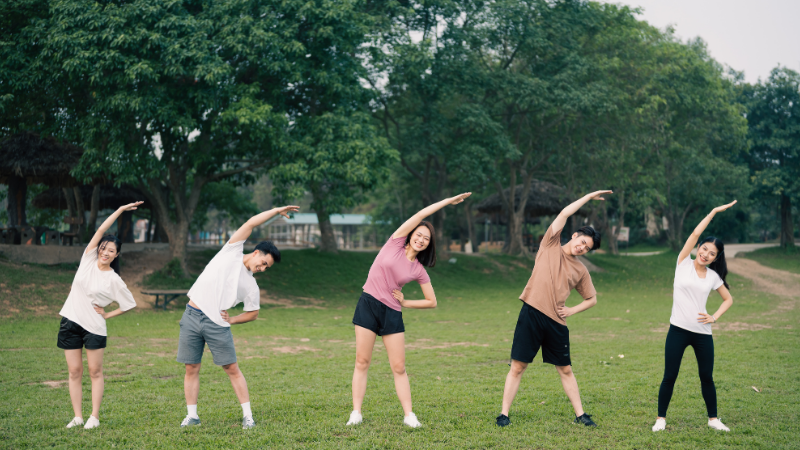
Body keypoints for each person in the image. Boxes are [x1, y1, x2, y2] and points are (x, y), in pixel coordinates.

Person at [346, 193, 471, 428]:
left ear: (428, 244)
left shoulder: (418, 270)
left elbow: (432, 301)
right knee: (362, 361)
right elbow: (422, 214)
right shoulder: (394, 242)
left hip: (392, 312)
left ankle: (409, 415)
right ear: (411, 234)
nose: (421, 240)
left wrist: (406, 302)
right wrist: (448, 201)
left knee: (399, 367)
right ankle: (356, 413)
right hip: (368, 304)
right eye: (419, 235)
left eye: (426, 239)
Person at [177, 205, 299, 430]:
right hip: (191, 315)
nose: (263, 268)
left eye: (267, 268)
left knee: (232, 368)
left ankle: (248, 416)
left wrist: (232, 320)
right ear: (256, 252)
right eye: (264, 263)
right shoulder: (231, 251)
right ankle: (192, 416)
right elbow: (251, 223)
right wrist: (275, 211)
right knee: (191, 367)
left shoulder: (251, 286)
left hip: (217, 323)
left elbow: (254, 313)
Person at [496, 191, 611, 428]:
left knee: (565, 369)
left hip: (556, 322)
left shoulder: (581, 270)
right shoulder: (550, 244)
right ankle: (504, 414)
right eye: (582, 242)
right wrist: (588, 197)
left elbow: (591, 299)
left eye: (587, 248)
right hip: (531, 314)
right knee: (518, 366)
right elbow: (564, 213)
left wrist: (571, 310)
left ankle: (580, 415)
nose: (582, 248)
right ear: (575, 235)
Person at [652, 201, 736, 433]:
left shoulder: (713, 277)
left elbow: (728, 299)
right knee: (670, 376)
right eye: (704, 249)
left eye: (712, 253)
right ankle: (660, 419)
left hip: (702, 334)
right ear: (698, 247)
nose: (706, 254)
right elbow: (695, 233)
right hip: (677, 331)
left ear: (715, 258)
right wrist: (713, 212)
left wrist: (714, 317)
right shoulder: (682, 263)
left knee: (706, 377)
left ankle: (713, 419)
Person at [58, 202, 141, 429]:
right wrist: (120, 210)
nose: (105, 252)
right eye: (103, 248)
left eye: (111, 251)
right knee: (74, 371)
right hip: (70, 322)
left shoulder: (114, 279)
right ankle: (77, 417)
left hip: (94, 327)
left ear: (116, 255)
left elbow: (129, 304)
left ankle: (94, 416)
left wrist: (107, 315)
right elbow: (101, 230)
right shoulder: (87, 259)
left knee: (95, 371)